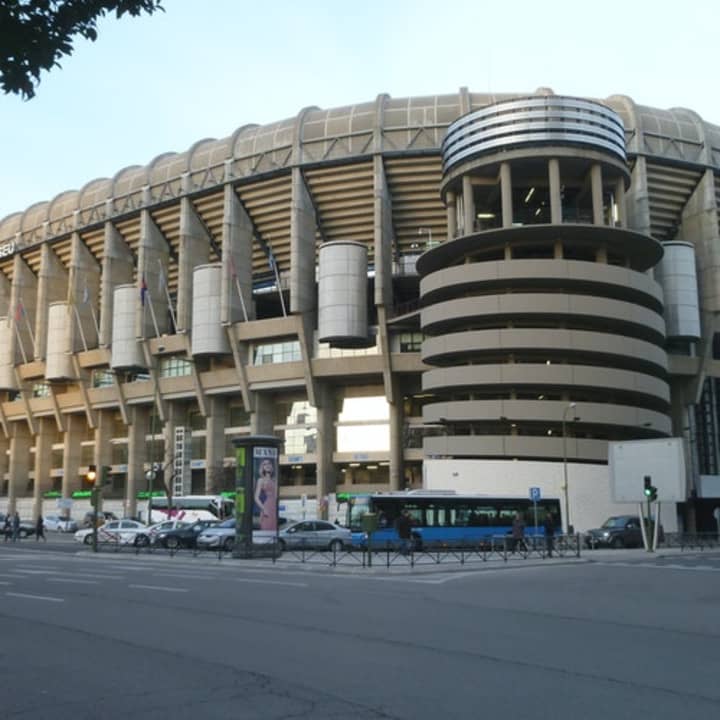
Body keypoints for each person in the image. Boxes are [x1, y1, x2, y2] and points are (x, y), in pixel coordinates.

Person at [254, 458, 278, 531]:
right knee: (266, 527)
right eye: (265, 464)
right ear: (262, 467)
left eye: (269, 463)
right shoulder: (261, 480)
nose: (267, 465)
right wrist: (264, 509)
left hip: (275, 507)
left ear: (271, 466)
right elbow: (256, 497)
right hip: (267, 507)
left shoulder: (274, 480)